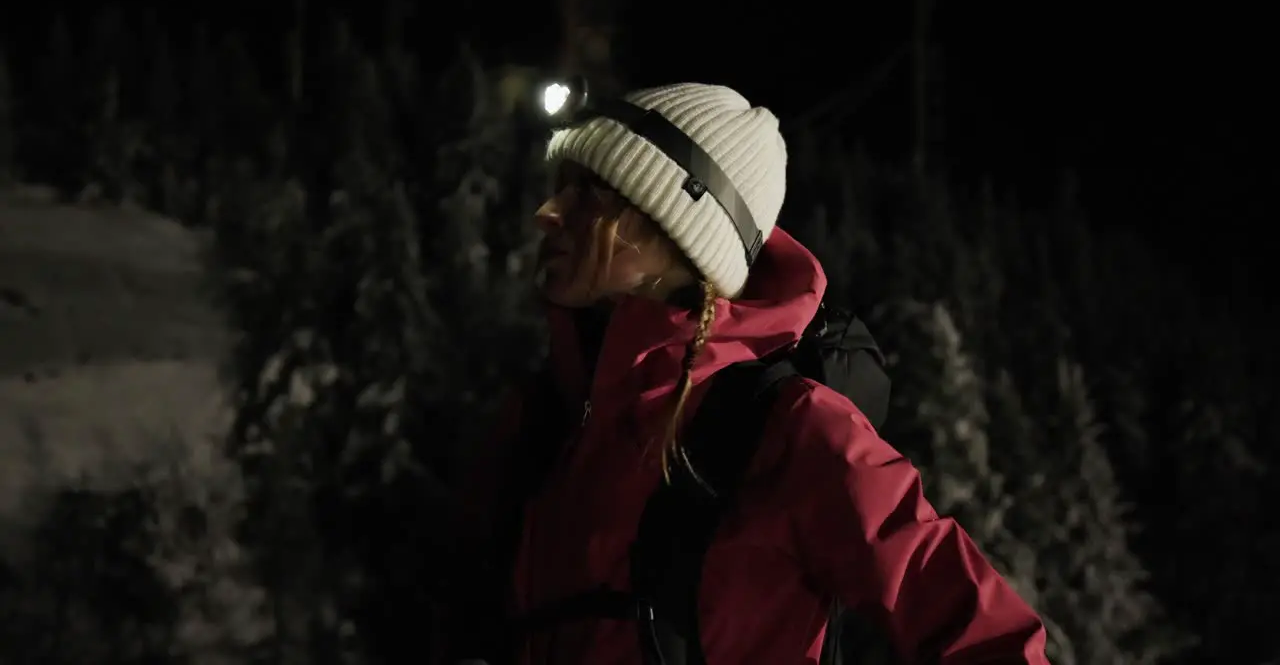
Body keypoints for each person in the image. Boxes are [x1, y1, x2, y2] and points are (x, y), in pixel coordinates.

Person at [438, 82, 1049, 664]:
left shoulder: (790, 427)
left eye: (591, 195)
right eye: (559, 187)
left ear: (680, 235)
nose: (548, 213)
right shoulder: (544, 416)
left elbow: (982, 630)